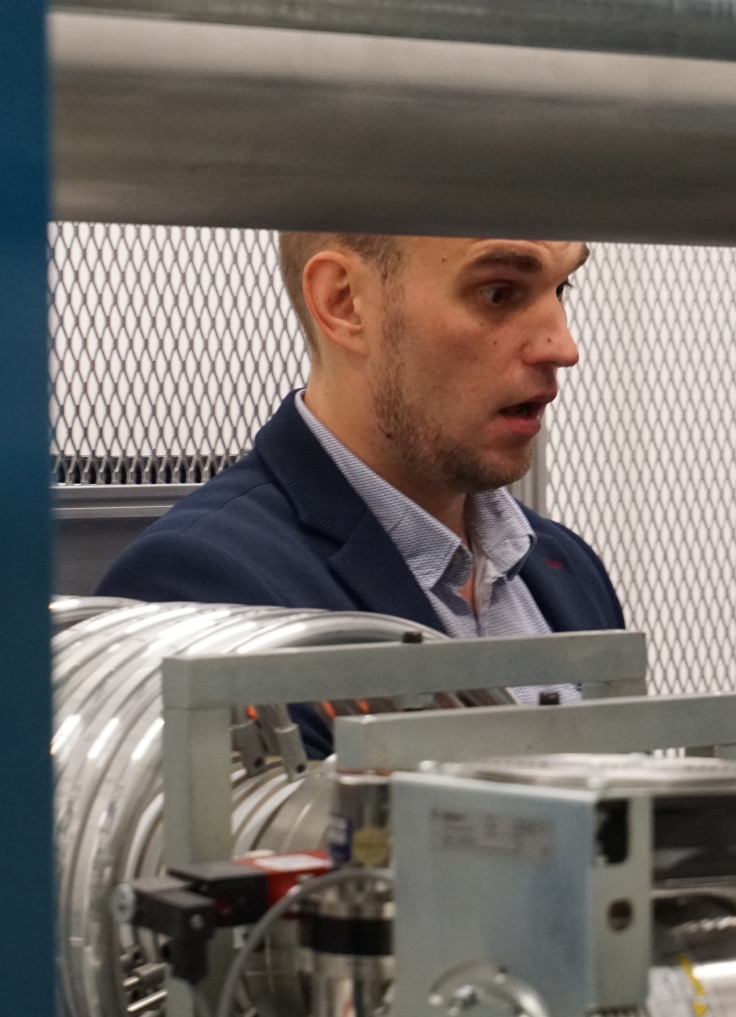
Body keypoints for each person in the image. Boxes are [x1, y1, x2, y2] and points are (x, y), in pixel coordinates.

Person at [96, 233, 624, 712]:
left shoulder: (562, 565)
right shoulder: (203, 588)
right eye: (497, 293)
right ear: (343, 302)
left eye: (562, 289)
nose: (563, 347)